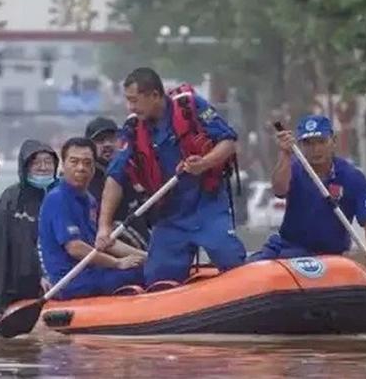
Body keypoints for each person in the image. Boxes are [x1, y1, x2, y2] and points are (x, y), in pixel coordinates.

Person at [96, 68, 246, 290]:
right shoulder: (133, 128)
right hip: (170, 216)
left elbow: (228, 142)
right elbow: (115, 177)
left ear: (155, 95)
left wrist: (203, 163)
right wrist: (104, 226)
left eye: (134, 100)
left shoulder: (191, 107)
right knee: (158, 278)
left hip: (208, 206)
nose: (130, 107)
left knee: (230, 257)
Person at [250, 115, 366, 282]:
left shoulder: (352, 177)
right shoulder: (293, 167)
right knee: (246, 272)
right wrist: (285, 154)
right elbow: (279, 189)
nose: (315, 149)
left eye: (321, 142)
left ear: (333, 141)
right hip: (287, 247)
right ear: (299, 145)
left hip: (328, 258)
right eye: (308, 144)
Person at [38, 137, 146, 299]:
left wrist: (145, 256)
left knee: (148, 265)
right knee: (140, 273)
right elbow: (75, 248)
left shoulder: (89, 200)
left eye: (87, 163)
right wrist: (117, 263)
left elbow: (104, 242)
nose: (81, 168)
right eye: (74, 162)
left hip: (92, 272)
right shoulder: (57, 198)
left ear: (94, 168)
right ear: (63, 165)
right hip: (71, 281)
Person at [0, 140, 59, 316]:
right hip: (22, 279)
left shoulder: (61, 195)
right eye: (36, 163)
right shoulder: (12, 198)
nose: (43, 167)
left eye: (48, 162)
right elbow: (2, 246)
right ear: (25, 167)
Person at [85, 116, 150, 250]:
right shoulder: (86, 181)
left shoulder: (134, 171)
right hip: (111, 250)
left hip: (144, 244)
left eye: (112, 139)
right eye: (100, 140)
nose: (107, 144)